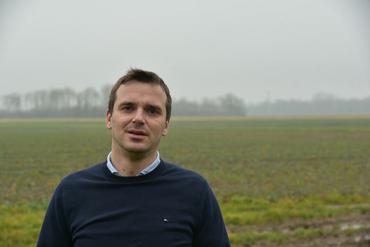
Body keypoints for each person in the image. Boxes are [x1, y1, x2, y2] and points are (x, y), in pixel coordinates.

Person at [37, 68, 230, 247]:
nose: (138, 118)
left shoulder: (194, 192)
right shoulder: (71, 191)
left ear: (165, 125)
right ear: (109, 118)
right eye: (128, 107)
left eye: (152, 111)